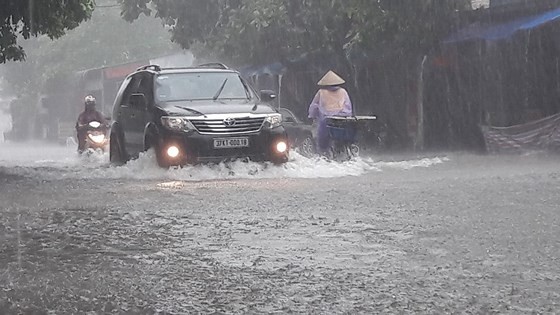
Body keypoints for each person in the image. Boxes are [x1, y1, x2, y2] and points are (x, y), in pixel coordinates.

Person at [308, 70, 353, 153]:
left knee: (323, 145)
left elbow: (314, 106)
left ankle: (325, 154)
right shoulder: (343, 92)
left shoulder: (321, 92)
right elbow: (348, 107)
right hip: (342, 121)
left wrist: (312, 115)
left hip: (326, 122)